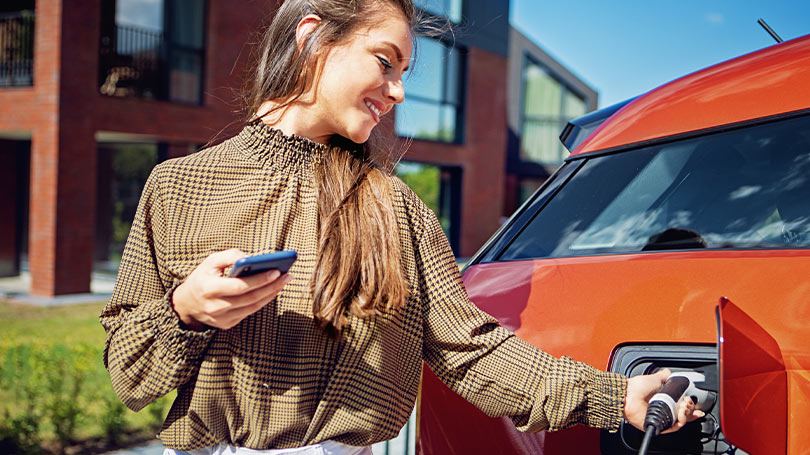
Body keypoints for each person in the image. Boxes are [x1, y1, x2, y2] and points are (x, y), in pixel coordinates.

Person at [99, 0, 702, 454]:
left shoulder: (395, 207)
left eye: (404, 71)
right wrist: (186, 310)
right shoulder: (175, 186)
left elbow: (475, 355)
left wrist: (615, 395)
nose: (399, 91)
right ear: (313, 36)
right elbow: (129, 374)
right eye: (385, 63)